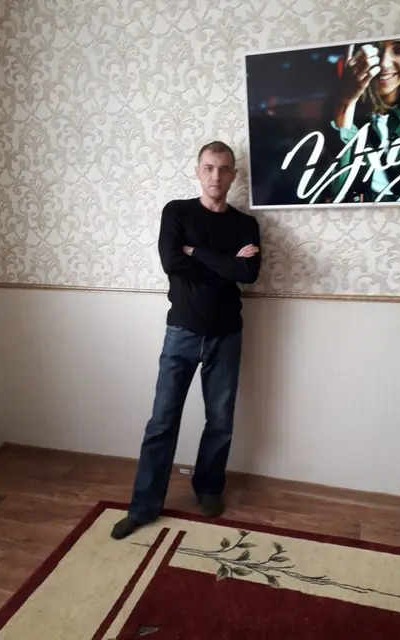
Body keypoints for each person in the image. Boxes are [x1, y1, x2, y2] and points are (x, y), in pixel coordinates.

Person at [111, 140, 261, 540]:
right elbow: (171, 262)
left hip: (227, 334)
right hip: (181, 332)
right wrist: (226, 263)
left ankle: (209, 489)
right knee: (162, 421)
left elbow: (248, 274)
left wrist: (196, 252)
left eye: (224, 169)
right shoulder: (176, 212)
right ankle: (143, 507)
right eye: (209, 168)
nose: (216, 176)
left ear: (233, 175)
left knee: (221, 421)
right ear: (197, 171)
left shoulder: (245, 225)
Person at [322, 35, 400, 202]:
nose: (384, 63)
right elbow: (331, 192)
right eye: (375, 49)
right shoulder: (336, 107)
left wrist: (361, 200)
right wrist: (346, 104)